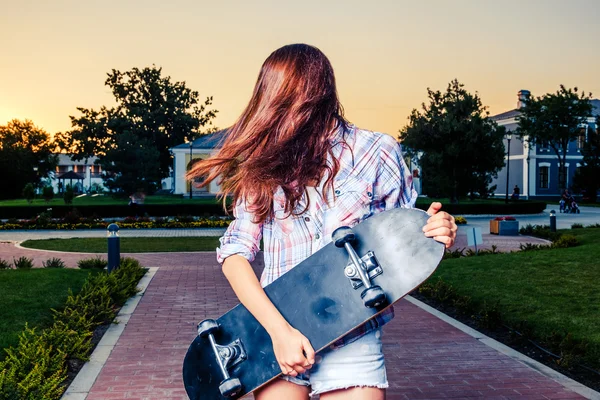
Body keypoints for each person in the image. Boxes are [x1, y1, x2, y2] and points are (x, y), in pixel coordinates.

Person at [187, 44, 457, 400]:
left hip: (352, 334)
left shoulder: (376, 152)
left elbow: (405, 239)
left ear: (318, 95)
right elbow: (235, 255)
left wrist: (438, 229)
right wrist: (279, 332)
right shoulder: (265, 162)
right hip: (275, 333)